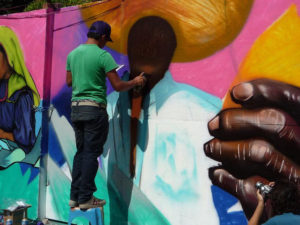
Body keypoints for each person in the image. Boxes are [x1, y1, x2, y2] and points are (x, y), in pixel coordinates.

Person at [102, 16, 222, 224]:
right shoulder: (108, 107)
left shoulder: (206, 112)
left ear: (170, 50)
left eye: (157, 42)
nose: (147, 49)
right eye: (141, 42)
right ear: (129, 49)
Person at [66, 20, 145, 209]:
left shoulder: (73, 54)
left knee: (81, 153)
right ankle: (86, 198)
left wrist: (84, 77)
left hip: (76, 109)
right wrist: (135, 81)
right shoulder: (103, 56)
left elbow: (69, 82)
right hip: (94, 109)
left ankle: (75, 196)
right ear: (102, 37)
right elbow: (118, 86)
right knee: (91, 154)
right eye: (106, 40)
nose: (106, 43)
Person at [0, 26, 40, 169]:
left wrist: (3, 134)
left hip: (16, 153)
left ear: (9, 55)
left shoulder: (21, 94)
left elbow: (25, 139)